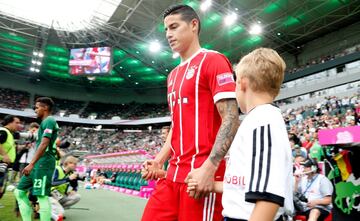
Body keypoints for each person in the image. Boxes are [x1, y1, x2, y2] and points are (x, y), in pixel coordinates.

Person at [141, 4, 239, 221]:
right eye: (166, 29)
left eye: (174, 27)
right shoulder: (172, 75)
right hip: (171, 175)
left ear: (194, 25)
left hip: (199, 176)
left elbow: (231, 118)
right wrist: (158, 161)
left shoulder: (214, 60)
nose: (168, 34)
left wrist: (209, 168)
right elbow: (177, 126)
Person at [187, 48, 294, 220]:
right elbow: (245, 184)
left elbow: (268, 197)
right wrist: (212, 185)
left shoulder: (264, 120)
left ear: (242, 83)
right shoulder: (256, 120)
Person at [14, 97, 59, 221]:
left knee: (41, 196)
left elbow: (44, 144)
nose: (35, 110)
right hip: (38, 162)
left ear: (45, 108)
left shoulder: (49, 120)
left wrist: (31, 163)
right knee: (19, 192)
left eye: (37, 107)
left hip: (44, 163)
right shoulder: (44, 123)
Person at [50, 155, 81, 221]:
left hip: (61, 195)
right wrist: (68, 179)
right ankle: (54, 210)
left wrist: (74, 190)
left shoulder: (72, 173)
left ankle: (57, 209)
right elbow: (52, 183)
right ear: (68, 163)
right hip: (51, 193)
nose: (75, 166)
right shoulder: (57, 169)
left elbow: (75, 185)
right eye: (74, 164)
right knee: (61, 212)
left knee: (77, 197)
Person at [0, 115, 21, 200]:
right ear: (9, 122)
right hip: (1, 164)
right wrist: (4, 155)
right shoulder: (3, 131)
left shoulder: (9, 134)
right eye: (17, 122)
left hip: (4, 166)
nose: (19, 125)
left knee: (1, 190)